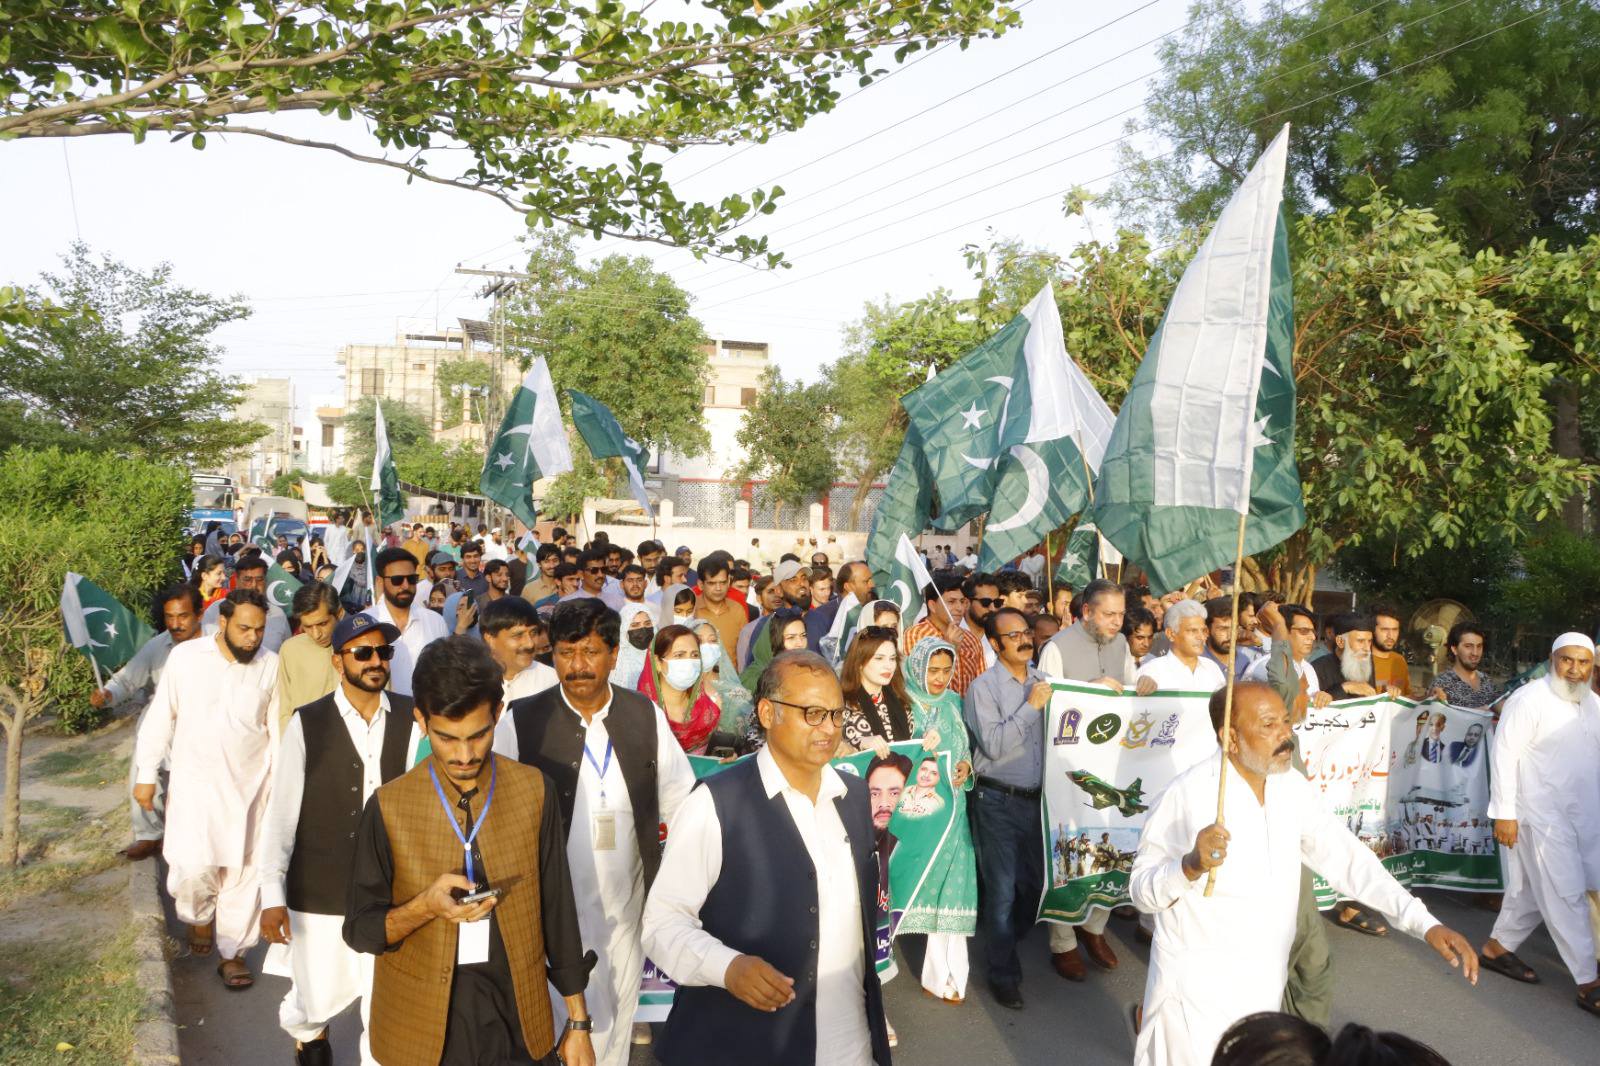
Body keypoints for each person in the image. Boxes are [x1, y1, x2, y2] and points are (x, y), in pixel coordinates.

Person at [1129, 682, 1477, 1066]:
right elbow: (1141, 892)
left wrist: (1424, 923)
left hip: (1263, 994)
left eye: (1285, 721)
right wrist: (1189, 866)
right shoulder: (1186, 795)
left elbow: (1348, 859)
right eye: (1268, 725)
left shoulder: (1290, 786)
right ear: (1230, 737)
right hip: (1194, 1003)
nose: (1285, 734)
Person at [343, 636, 597, 1066]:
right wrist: (424, 907)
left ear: (498, 713)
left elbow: (558, 909)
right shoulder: (389, 806)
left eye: (479, 736)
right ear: (421, 720)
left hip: (519, 1020)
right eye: (447, 738)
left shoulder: (535, 790)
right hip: (423, 1031)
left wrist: (578, 1022)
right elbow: (360, 931)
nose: (465, 755)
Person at [642, 650, 893, 1066]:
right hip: (746, 1044)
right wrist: (728, 967)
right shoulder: (715, 803)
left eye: (836, 714)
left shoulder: (853, 797)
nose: (828, 728)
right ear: (767, 712)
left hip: (851, 1044)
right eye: (812, 713)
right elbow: (662, 923)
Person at [492, 599, 695, 1065]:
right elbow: (496, 813)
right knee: (555, 1031)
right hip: (550, 912)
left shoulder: (643, 715)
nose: (577, 665)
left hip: (626, 909)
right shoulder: (523, 721)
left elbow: (682, 801)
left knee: (617, 1025)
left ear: (613, 653)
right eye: (565, 653)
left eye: (590, 651)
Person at [259, 613, 413, 1066]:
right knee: (314, 999)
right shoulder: (308, 723)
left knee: (385, 1006)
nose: (375, 661)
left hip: (390, 890)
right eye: (362, 653)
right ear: (337, 661)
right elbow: (281, 815)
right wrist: (272, 895)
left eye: (383, 652)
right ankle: (309, 1036)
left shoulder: (413, 716)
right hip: (321, 891)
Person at [134, 587, 281, 990]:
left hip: (251, 790)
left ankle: (233, 954)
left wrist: (282, 788)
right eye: (245, 628)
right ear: (223, 622)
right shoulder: (186, 658)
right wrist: (146, 772)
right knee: (193, 871)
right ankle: (198, 916)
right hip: (195, 790)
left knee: (243, 875)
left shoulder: (270, 665)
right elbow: (161, 716)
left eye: (259, 630)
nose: (252, 637)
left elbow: (277, 729)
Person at [1479, 633, 1600, 1011]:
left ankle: (1497, 948)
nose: (1575, 670)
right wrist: (1505, 813)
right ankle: (1588, 980)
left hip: (1584, 815)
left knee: (1533, 889)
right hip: (1539, 815)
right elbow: (1504, 755)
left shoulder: (1592, 703)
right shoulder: (1528, 699)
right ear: (1552, 659)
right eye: (1567, 660)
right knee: (1567, 893)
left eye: (1583, 662)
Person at [1035, 578, 1130, 976]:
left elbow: (1129, 697)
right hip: (1069, 768)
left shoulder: (1122, 645)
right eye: (1109, 614)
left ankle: (1095, 928)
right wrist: (1088, 691)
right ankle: (1064, 941)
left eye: (1121, 614)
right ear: (1087, 611)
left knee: (1111, 846)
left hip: (1112, 764)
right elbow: (1046, 707)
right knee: (1069, 850)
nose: (1116, 622)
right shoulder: (1056, 648)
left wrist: (1142, 687)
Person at [963, 607, 1052, 1009]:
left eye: (1026, 632)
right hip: (996, 800)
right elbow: (994, 745)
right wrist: (1031, 707)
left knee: (1034, 886)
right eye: (1013, 635)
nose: (1024, 639)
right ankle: (1003, 973)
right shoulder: (982, 688)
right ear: (995, 644)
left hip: (1039, 802)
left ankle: (1005, 940)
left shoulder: (1044, 681)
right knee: (1001, 892)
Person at [91, 583, 203, 860]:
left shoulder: (216, 642)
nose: (175, 624)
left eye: (183, 616)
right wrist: (108, 694)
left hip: (205, 724)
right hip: (163, 722)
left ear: (199, 614)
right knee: (144, 769)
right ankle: (149, 835)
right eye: (170, 617)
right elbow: (127, 679)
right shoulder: (158, 645)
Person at [900, 637, 977, 1004]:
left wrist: (965, 766)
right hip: (916, 812)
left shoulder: (953, 702)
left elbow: (964, 748)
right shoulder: (904, 703)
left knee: (954, 886)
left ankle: (946, 974)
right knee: (906, 882)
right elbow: (897, 756)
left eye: (946, 671)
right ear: (918, 668)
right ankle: (873, 966)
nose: (939, 678)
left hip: (955, 810)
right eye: (932, 670)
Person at [362, 546, 449, 697]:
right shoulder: (366, 623)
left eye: (411, 579)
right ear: (380, 581)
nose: (405, 586)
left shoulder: (435, 621)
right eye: (397, 580)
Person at [637, 624, 723, 754]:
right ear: (658, 662)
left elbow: (717, 752)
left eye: (694, 655)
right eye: (679, 655)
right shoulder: (641, 711)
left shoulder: (711, 707)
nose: (689, 662)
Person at [901, 574, 986, 695]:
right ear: (932, 606)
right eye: (951, 602)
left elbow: (982, 685)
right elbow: (914, 684)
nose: (960, 608)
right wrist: (948, 647)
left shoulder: (971, 639)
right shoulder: (916, 635)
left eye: (962, 602)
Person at [275, 582, 342, 732]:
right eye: (308, 626)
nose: (316, 634)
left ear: (339, 613)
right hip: (306, 740)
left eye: (322, 623)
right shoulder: (290, 651)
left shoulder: (362, 647)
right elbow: (285, 710)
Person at [839, 626, 913, 753]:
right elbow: (829, 748)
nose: (889, 666)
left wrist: (925, 739)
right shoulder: (841, 704)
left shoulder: (901, 701)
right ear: (859, 662)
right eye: (879, 658)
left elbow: (911, 749)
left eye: (892, 658)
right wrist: (859, 743)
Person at [202, 554, 293, 652]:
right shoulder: (215, 610)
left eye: (259, 580)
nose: (254, 585)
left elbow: (287, 652)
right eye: (247, 580)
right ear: (236, 580)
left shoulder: (278, 614)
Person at [1136, 598, 1226, 695]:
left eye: (1203, 631)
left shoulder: (1212, 668)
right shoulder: (1151, 672)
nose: (1201, 637)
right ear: (1171, 634)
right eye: (1193, 631)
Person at [480, 596, 559, 704]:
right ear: (490, 639)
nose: (530, 644)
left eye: (533, 633)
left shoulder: (551, 680)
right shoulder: (471, 683)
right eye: (518, 635)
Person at [689, 618, 755, 747]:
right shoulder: (681, 689)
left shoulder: (734, 690)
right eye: (699, 641)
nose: (707, 647)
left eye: (713, 641)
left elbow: (749, 735)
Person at [1429, 622, 1503, 709]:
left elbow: (1498, 704)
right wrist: (1476, 712)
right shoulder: (1442, 683)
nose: (1475, 653)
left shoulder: (1487, 681)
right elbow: (1435, 715)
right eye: (1468, 646)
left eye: (1479, 646)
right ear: (1454, 649)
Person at [806, 560, 871, 652]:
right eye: (866, 581)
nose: (872, 585)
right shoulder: (819, 617)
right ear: (848, 586)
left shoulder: (871, 609)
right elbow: (815, 655)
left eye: (828, 588)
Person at [1311, 614, 1379, 701]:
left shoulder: (1365, 662)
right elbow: (1312, 704)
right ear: (1340, 641)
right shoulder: (1317, 668)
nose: (1367, 648)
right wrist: (1344, 688)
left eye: (1369, 641)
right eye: (1360, 641)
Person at [694, 556, 746, 666]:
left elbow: (744, 650)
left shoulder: (737, 609)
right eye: (712, 583)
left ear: (729, 581)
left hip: (732, 676)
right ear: (701, 584)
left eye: (723, 582)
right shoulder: (691, 610)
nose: (718, 588)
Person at [611, 601, 654, 689]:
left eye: (647, 623)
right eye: (635, 625)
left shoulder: (659, 652)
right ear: (624, 629)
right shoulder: (616, 660)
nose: (643, 629)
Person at [1370, 604, 1411, 695]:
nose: (1390, 635)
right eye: (1384, 630)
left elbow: (1408, 696)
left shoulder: (1399, 660)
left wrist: (1430, 696)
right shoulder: (1360, 661)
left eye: (1395, 630)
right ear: (1372, 630)